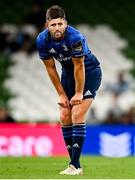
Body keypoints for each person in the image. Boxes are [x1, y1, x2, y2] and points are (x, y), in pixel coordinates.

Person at [36, 5, 102, 175]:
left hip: (89, 72)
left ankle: (74, 165)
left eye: (60, 24)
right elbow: (51, 68)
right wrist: (61, 94)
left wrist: (79, 92)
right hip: (67, 74)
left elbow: (79, 66)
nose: (57, 28)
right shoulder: (42, 40)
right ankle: (75, 165)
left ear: (65, 23)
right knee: (65, 116)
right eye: (53, 25)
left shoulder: (75, 38)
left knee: (77, 114)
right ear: (47, 26)